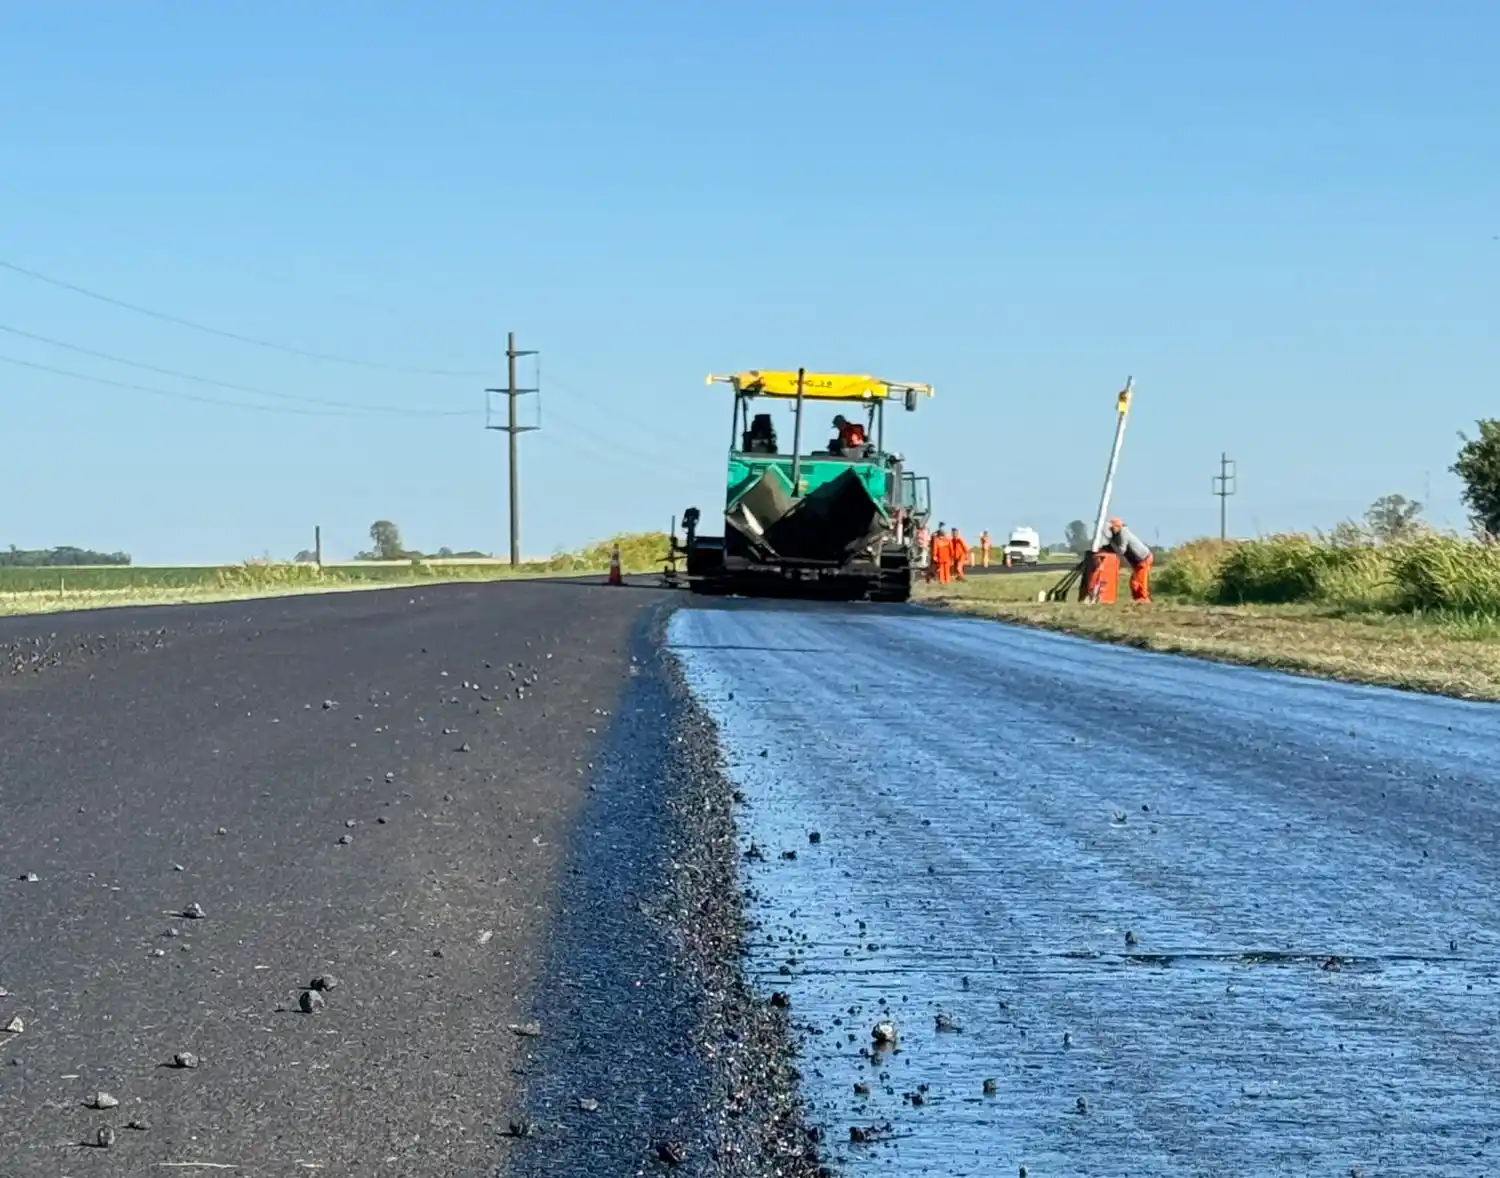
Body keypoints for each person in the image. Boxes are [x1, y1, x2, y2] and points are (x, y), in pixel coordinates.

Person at [1104, 517, 1153, 601]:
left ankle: (1144, 600)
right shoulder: (1116, 534)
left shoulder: (1123, 533)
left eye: (1112, 528)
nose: (1111, 530)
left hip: (1143, 559)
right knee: (1134, 583)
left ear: (1118, 526)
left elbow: (1122, 549)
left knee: (1139, 583)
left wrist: (1111, 552)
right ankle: (1138, 600)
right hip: (1137, 561)